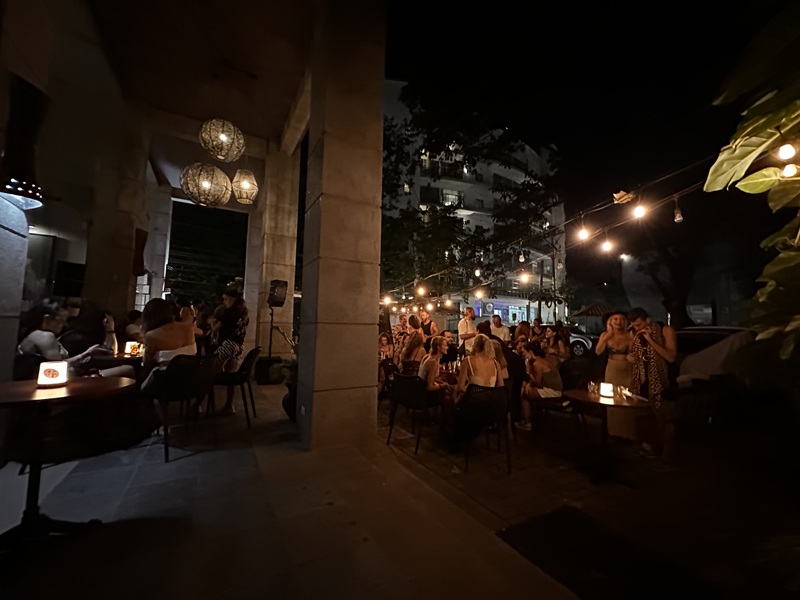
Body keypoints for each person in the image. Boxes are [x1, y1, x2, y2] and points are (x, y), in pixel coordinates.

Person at [626, 307, 678, 459]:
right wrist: (630, 357)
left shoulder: (665, 330)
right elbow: (632, 352)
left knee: (663, 416)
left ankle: (666, 453)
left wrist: (650, 340)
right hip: (642, 379)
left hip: (661, 380)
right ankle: (647, 447)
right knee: (644, 415)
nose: (637, 328)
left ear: (648, 320)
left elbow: (670, 357)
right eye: (633, 326)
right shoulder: (635, 333)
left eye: (639, 325)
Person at [139, 298, 197, 390]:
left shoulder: (151, 335)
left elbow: (147, 363)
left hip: (165, 383)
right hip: (191, 380)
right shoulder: (188, 328)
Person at [212, 288, 250, 415]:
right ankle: (229, 405)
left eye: (226, 299)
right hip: (238, 346)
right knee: (231, 376)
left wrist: (212, 323)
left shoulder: (228, 312)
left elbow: (215, 328)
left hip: (228, 344)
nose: (224, 302)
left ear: (232, 299)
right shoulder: (244, 312)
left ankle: (197, 405)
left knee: (208, 372)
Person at [517, 341, 565, 431]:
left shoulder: (537, 364)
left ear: (530, 352)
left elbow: (537, 382)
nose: (524, 355)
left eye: (524, 353)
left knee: (524, 394)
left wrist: (528, 372)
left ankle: (527, 422)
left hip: (553, 391)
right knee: (525, 388)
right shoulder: (542, 360)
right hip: (553, 388)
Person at [456, 333, 504, 398]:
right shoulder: (496, 363)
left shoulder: (468, 360)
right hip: (490, 401)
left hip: (473, 400)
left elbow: (460, 387)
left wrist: (473, 394)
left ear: (474, 345)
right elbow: (501, 387)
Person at [595, 311, 634, 389]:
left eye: (622, 319)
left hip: (627, 369)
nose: (618, 322)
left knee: (627, 393)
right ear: (610, 322)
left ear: (626, 322)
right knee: (611, 392)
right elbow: (598, 352)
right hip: (612, 368)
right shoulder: (604, 335)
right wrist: (607, 337)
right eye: (615, 319)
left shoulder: (630, 335)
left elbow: (634, 353)